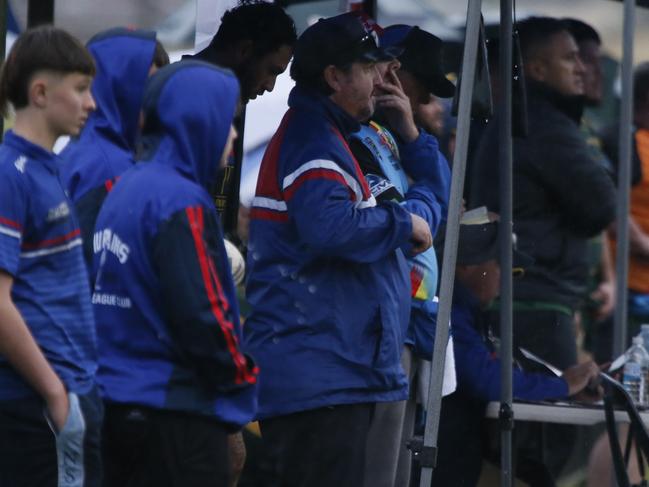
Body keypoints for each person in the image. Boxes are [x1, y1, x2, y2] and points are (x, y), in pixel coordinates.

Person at [244, 12, 433, 486]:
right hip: (319, 374)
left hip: (336, 371)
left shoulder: (334, 135)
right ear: (334, 76)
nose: (379, 80)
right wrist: (401, 221)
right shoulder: (312, 139)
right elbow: (328, 227)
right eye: (369, 68)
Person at [92, 60, 258, 487]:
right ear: (199, 122)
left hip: (115, 405)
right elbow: (204, 314)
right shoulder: (182, 200)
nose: (235, 135)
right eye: (228, 122)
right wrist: (243, 377)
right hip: (174, 415)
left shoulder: (126, 185)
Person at [469, 16, 617, 482]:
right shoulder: (541, 125)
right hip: (534, 305)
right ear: (535, 69)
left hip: (531, 299)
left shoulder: (528, 119)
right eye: (569, 58)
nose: (581, 69)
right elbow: (599, 203)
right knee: (543, 443)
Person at [347, 23, 454, 487]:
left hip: (410, 322)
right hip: (380, 324)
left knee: (400, 468)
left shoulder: (392, 134)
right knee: (378, 468)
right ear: (390, 71)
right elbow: (405, 223)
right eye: (421, 86)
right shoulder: (353, 134)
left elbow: (438, 198)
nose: (427, 102)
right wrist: (424, 208)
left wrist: (411, 133)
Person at [0, 26, 102, 486]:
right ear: (40, 92)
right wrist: (54, 393)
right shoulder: (10, 173)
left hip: (66, 390)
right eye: (80, 89)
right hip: (34, 402)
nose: (91, 104)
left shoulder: (48, 168)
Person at [432, 219, 602, 486]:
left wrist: (563, 385)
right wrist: (561, 386)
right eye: (501, 265)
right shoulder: (449, 312)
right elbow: (488, 380)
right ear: (466, 264)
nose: (507, 278)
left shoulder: (469, 314)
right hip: (444, 458)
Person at [60, 27, 169, 268]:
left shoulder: (78, 146)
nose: (157, 101)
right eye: (147, 88)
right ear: (119, 89)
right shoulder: (112, 167)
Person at [192, 0, 296, 105]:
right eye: (271, 71)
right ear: (244, 50)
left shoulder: (202, 97)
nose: (270, 87)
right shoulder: (191, 99)